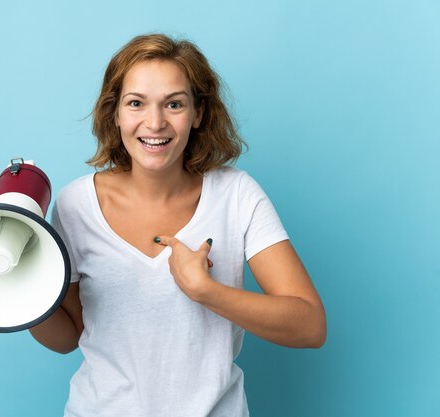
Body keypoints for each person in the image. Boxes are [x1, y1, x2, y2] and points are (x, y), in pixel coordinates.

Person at [29, 33, 327, 417]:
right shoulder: (75, 205)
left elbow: (309, 326)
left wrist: (206, 291)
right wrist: (23, 293)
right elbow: (68, 335)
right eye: (136, 103)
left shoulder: (236, 195)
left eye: (174, 104)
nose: (155, 123)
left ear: (198, 113)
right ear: (115, 112)